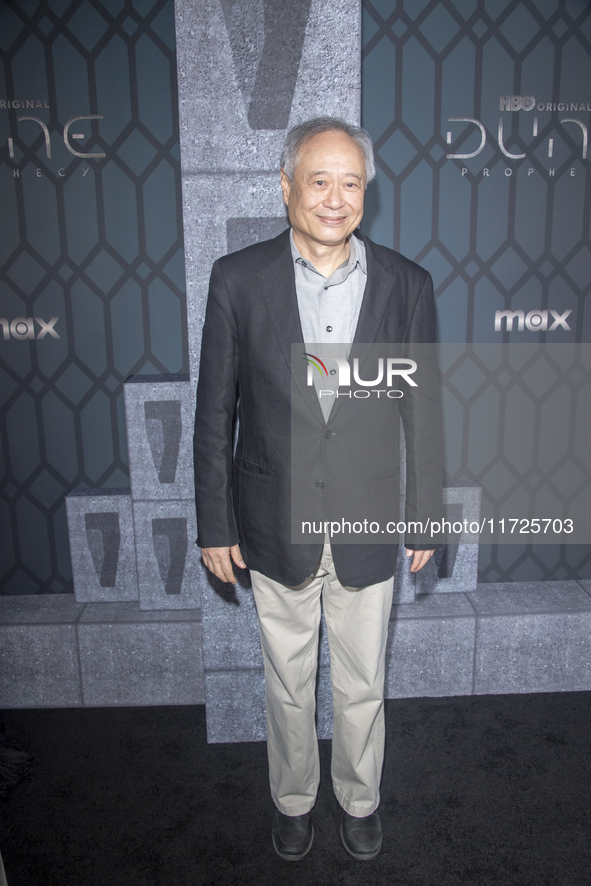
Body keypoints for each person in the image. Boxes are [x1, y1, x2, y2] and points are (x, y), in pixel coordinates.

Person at [193, 117, 441, 861]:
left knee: (364, 683)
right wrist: (213, 524)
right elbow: (215, 413)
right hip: (272, 521)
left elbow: (422, 412)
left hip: (368, 522)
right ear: (286, 187)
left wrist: (425, 516)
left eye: (351, 182)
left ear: (366, 191)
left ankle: (358, 800)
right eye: (319, 180)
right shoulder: (236, 279)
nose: (335, 198)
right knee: (289, 684)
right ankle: (293, 799)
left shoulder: (407, 283)